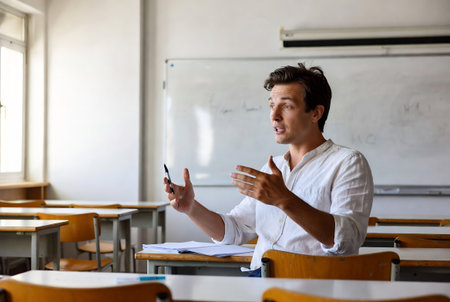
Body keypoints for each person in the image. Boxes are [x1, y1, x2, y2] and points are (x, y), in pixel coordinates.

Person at [163, 63, 373, 273]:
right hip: (260, 281)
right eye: (272, 105)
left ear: (316, 113)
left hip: (313, 286)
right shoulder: (275, 167)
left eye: (287, 106)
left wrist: (285, 199)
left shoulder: (348, 163)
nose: (274, 115)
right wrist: (192, 209)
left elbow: (346, 242)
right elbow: (234, 231)